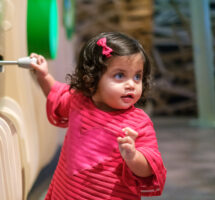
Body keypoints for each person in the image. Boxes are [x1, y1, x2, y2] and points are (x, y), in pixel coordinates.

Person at [30, 32, 167, 199]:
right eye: (120, 75)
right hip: (65, 194)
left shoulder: (139, 123)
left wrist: (133, 156)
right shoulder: (78, 101)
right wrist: (44, 76)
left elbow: (150, 167)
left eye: (137, 76)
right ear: (92, 79)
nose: (131, 84)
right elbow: (56, 93)